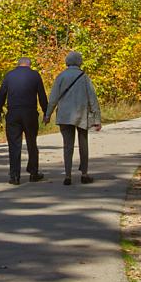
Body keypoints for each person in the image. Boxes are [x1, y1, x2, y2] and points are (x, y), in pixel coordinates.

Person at [44, 51, 101, 185]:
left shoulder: (61, 76)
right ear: (79, 61)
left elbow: (53, 98)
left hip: (65, 115)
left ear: (67, 61)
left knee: (67, 146)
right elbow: (92, 98)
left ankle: (68, 176)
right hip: (82, 114)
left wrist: (47, 115)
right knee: (83, 144)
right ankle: (84, 174)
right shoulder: (84, 77)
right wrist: (97, 119)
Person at [0, 57, 48, 185]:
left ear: (18, 65)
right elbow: (42, 95)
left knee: (14, 145)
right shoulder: (35, 75)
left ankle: (15, 176)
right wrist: (46, 113)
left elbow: (1, 95)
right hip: (30, 114)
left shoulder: (9, 75)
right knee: (31, 143)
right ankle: (33, 173)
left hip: (13, 114)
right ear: (29, 65)